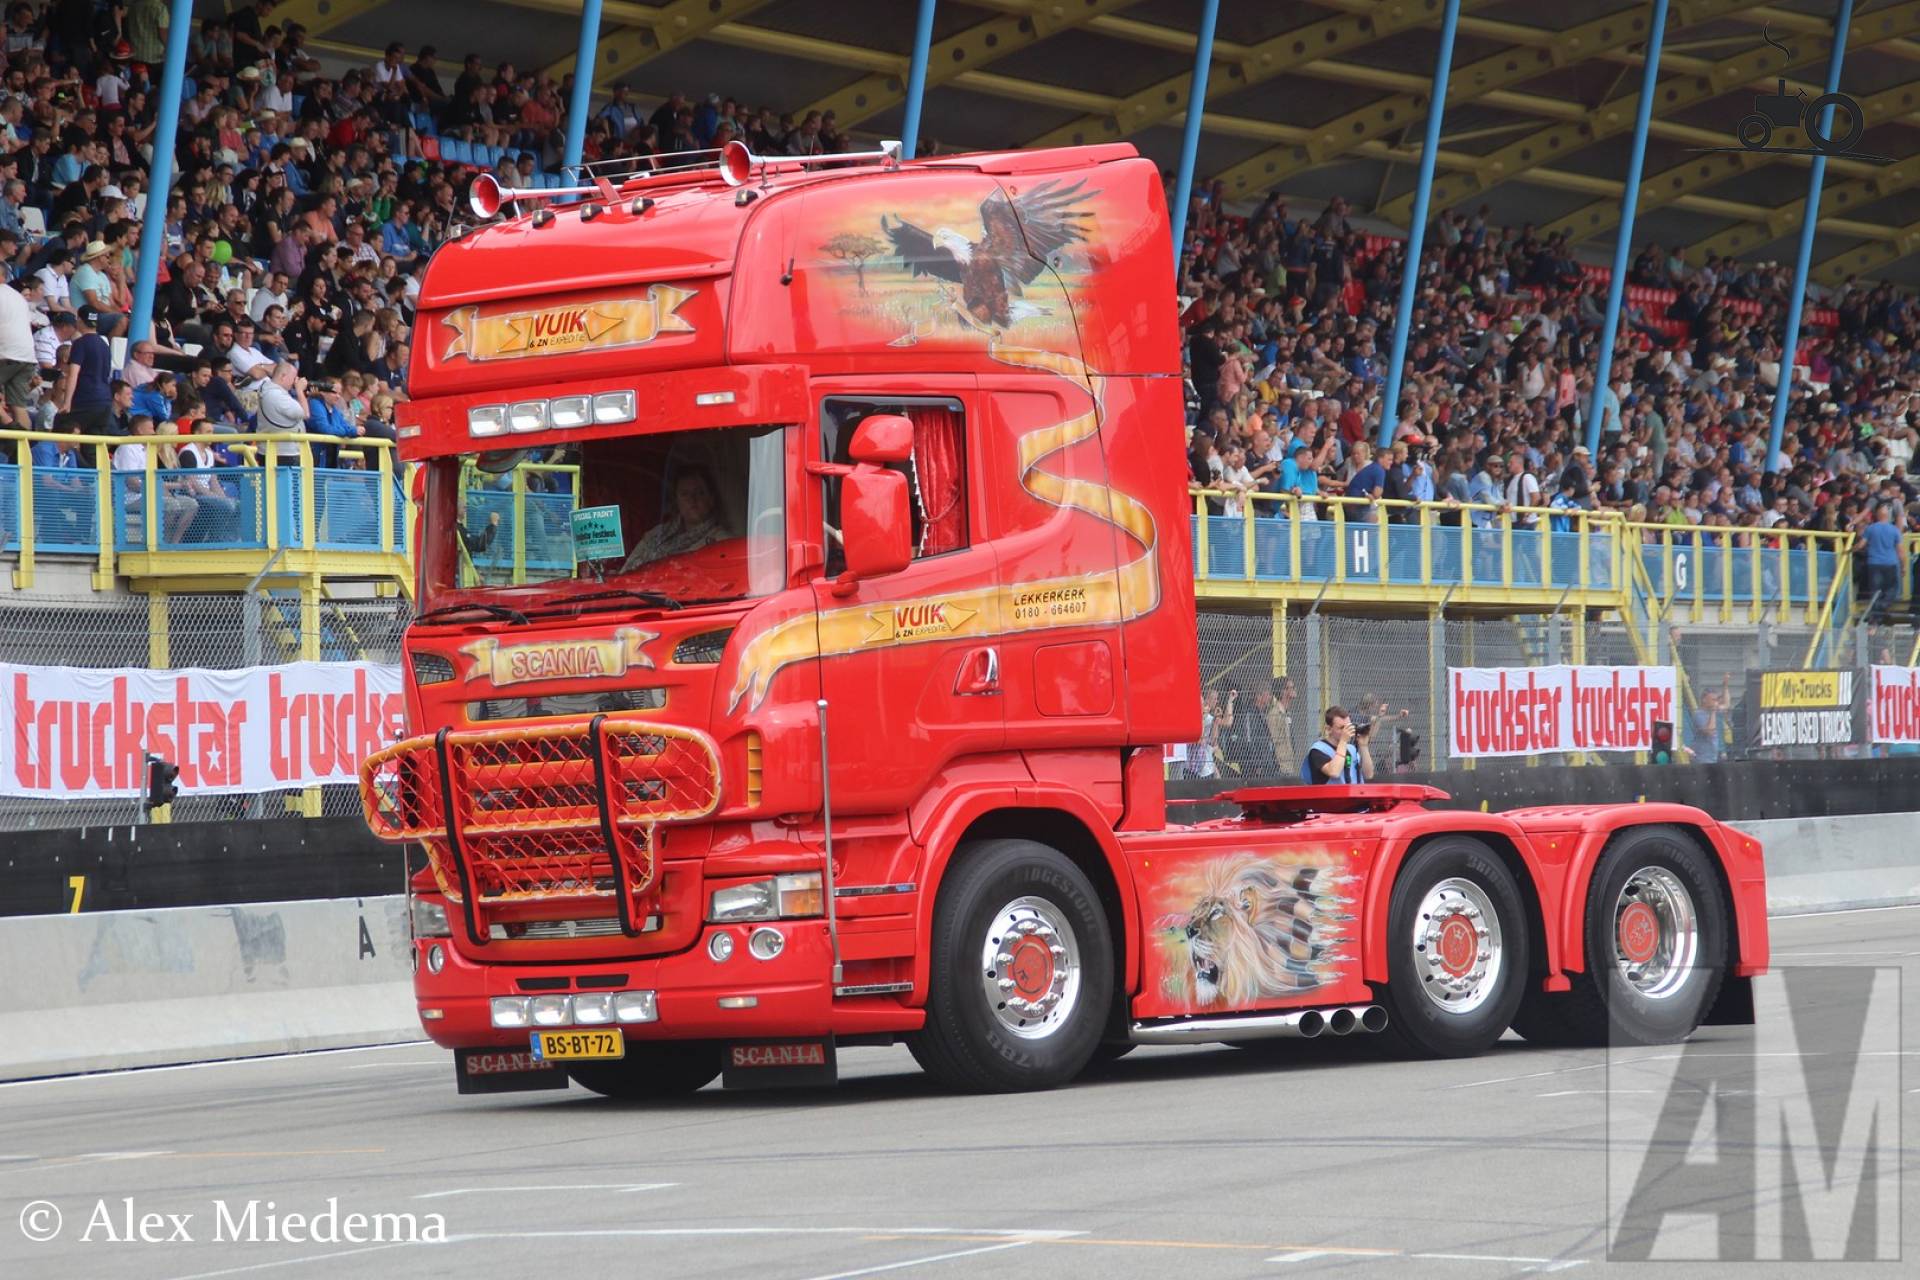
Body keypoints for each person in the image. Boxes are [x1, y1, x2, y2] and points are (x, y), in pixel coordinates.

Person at [620, 469, 724, 570]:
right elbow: (626, 572)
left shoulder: (722, 541)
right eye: (685, 494)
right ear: (677, 500)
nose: (692, 499)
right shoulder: (656, 535)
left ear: (711, 499)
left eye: (700, 492)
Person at [1302, 704, 1373, 784]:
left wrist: (1364, 746)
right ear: (1328, 729)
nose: (1346, 731)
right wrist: (1343, 741)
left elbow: (1368, 774)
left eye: (1348, 727)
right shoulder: (1318, 750)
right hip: (1332, 795)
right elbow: (1334, 772)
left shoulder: (1351, 749)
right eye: (1342, 728)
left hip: (1354, 794)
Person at [1861, 503, 1902, 621]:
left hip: (1874, 563)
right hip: (1890, 563)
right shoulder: (1894, 530)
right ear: (1888, 515)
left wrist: (1851, 549)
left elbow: (1861, 544)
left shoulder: (1870, 528)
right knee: (1892, 589)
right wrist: (1903, 566)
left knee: (1875, 591)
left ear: (1877, 515)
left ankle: (1876, 617)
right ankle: (1882, 607)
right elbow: (1900, 550)